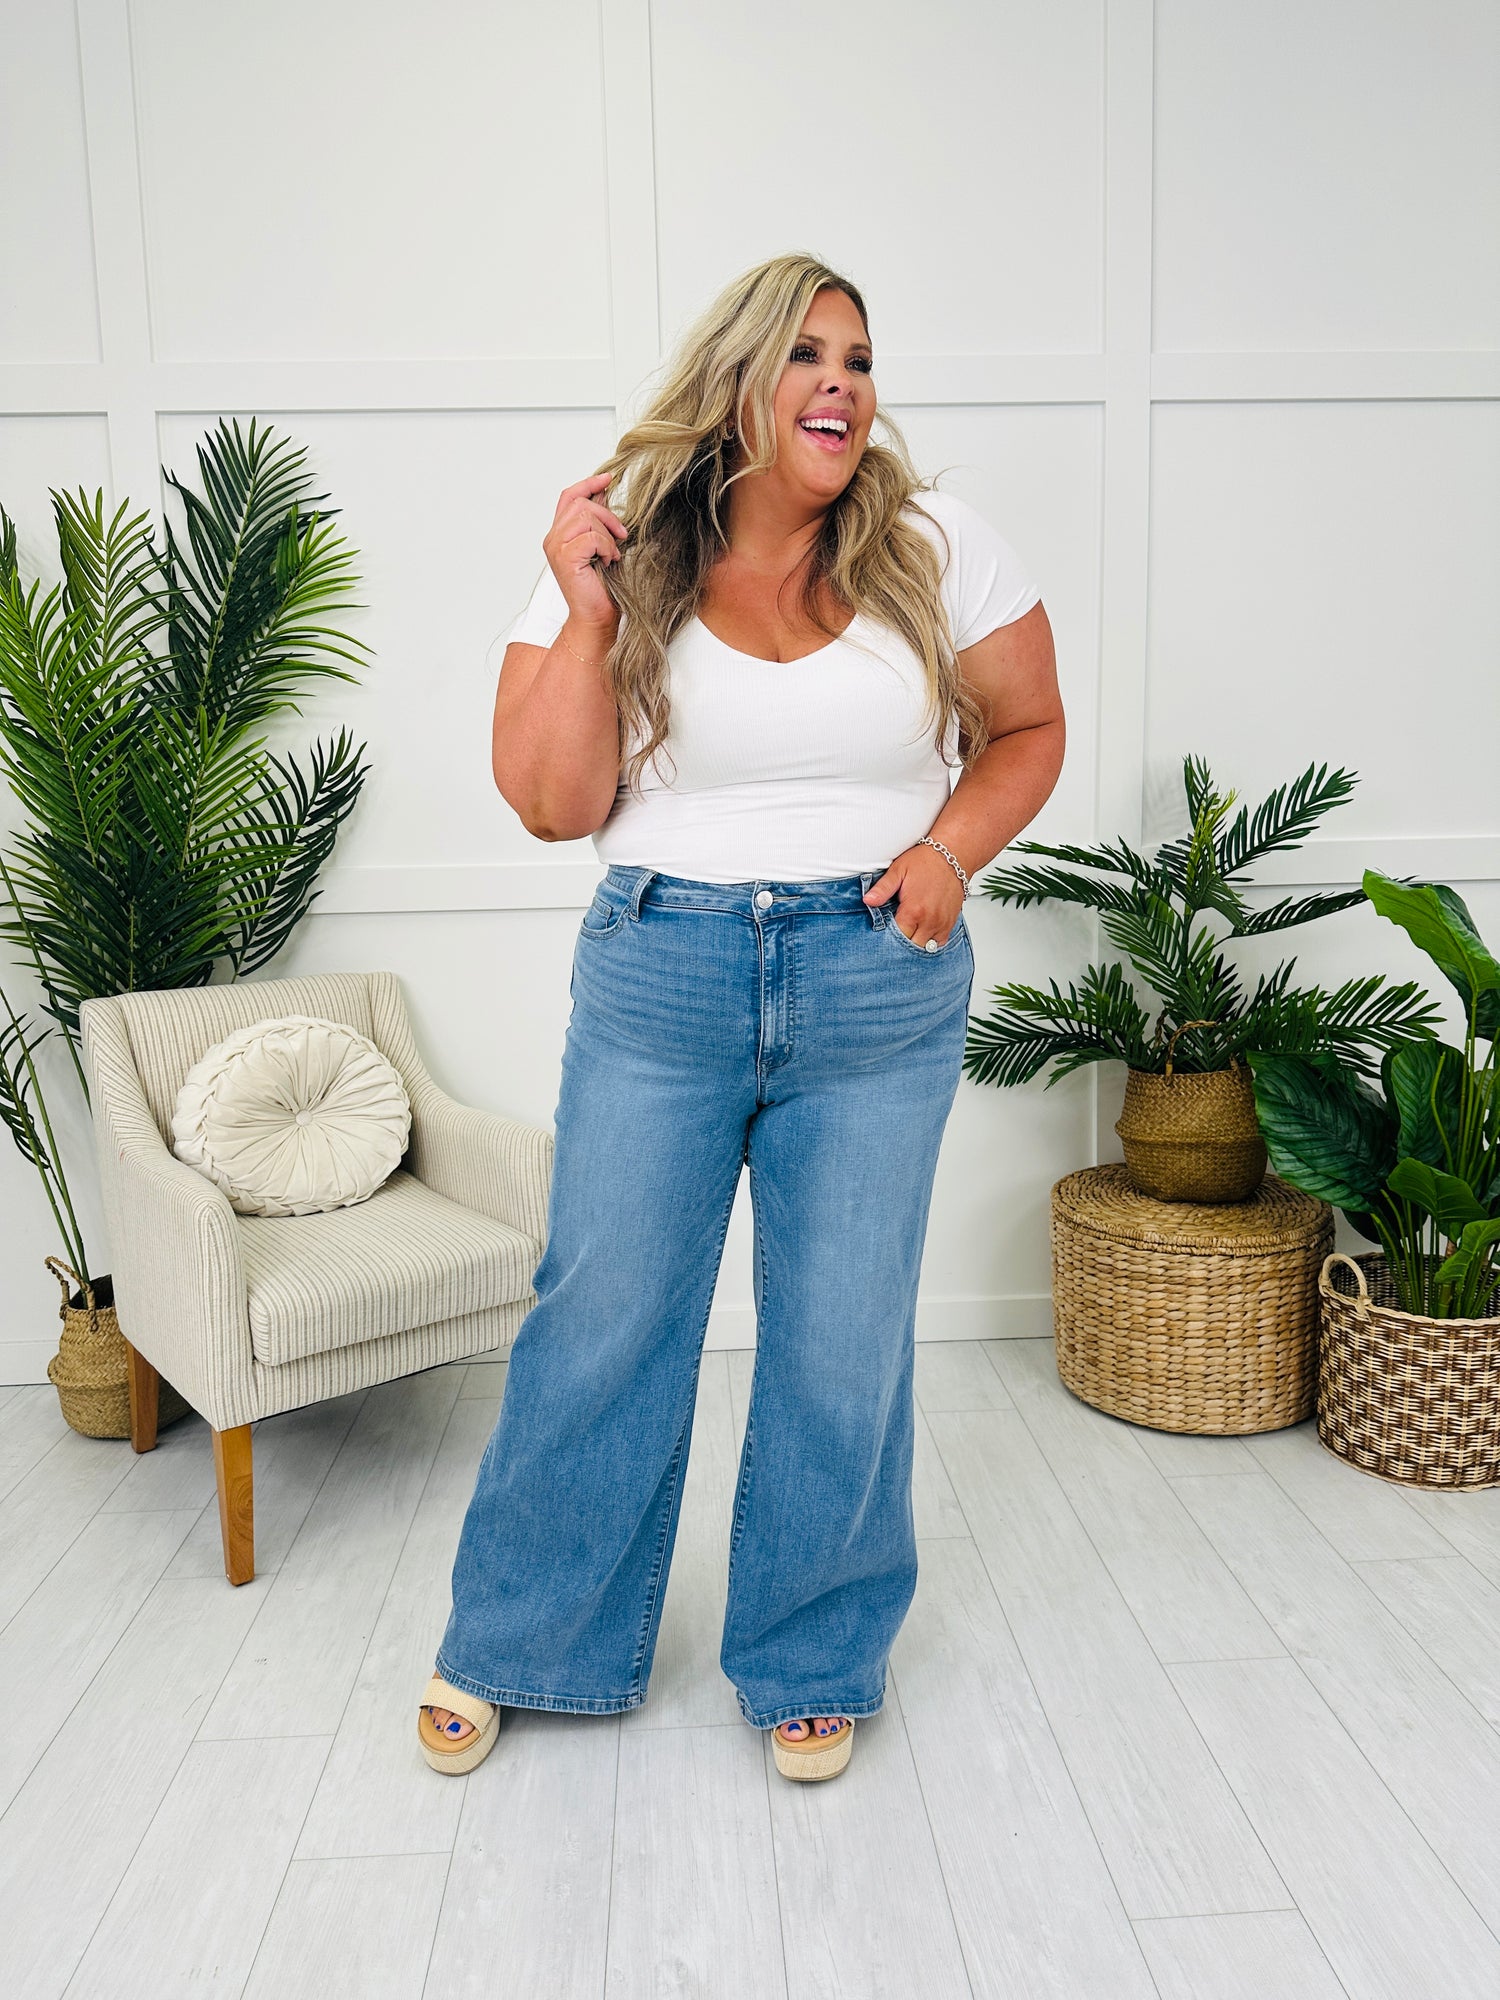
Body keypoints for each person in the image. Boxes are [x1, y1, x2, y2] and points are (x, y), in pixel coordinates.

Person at [417, 252, 1064, 1784]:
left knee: (842, 1336)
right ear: (739, 382)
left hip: (875, 979)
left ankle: (812, 1653)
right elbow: (552, 802)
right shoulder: (620, 545)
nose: (841, 383)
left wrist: (947, 854)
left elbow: (1030, 728)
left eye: (859, 358)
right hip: (664, 972)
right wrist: (586, 614)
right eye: (807, 356)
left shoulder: (935, 545)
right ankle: (524, 1639)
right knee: (604, 1316)